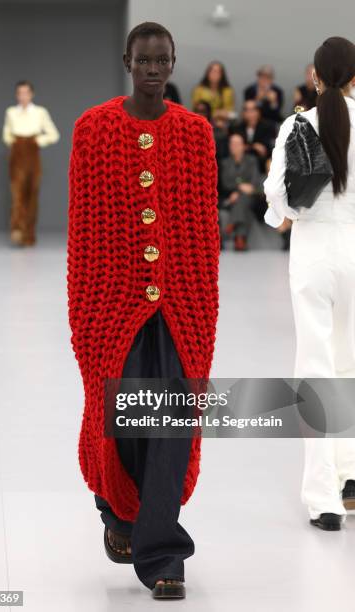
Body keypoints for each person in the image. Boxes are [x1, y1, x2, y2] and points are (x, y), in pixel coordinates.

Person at [66, 21, 220, 598]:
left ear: (174, 63)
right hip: (112, 299)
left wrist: (200, 297)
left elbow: (203, 227)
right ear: (128, 61)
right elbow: (85, 227)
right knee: (123, 414)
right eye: (144, 60)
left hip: (182, 299)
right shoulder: (94, 130)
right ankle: (118, 513)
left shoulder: (196, 135)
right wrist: (87, 306)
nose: (153, 69)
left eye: (163, 60)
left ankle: (163, 555)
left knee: (174, 417)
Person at [263, 36, 355, 531]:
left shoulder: (298, 123)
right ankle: (352, 475)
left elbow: (278, 193)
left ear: (314, 76)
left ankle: (325, 500)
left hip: (315, 252)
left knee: (316, 370)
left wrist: (280, 213)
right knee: (351, 361)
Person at [2, 80, 60, 246]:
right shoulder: (11, 112)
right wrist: (14, 142)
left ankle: (29, 234)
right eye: (20, 93)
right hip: (17, 153)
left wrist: (37, 141)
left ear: (31, 94)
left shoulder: (40, 112)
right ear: (16, 95)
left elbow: (53, 134)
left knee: (32, 195)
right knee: (17, 193)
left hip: (33, 154)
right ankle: (17, 229)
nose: (23, 96)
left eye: (26, 93)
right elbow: (6, 133)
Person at [219, 133, 263, 250]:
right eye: (232, 143)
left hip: (251, 197)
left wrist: (239, 191)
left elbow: (254, 182)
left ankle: (232, 223)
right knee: (243, 203)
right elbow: (225, 183)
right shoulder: (225, 162)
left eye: (237, 143)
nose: (234, 146)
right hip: (231, 198)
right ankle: (240, 239)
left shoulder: (251, 160)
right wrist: (240, 188)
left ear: (243, 146)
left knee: (243, 198)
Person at [230, 99, 277, 173]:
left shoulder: (268, 127)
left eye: (253, 110)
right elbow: (235, 147)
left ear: (258, 112)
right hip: (241, 160)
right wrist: (254, 146)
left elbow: (265, 148)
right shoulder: (236, 128)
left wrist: (245, 147)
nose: (250, 114)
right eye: (247, 110)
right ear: (243, 113)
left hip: (261, 161)